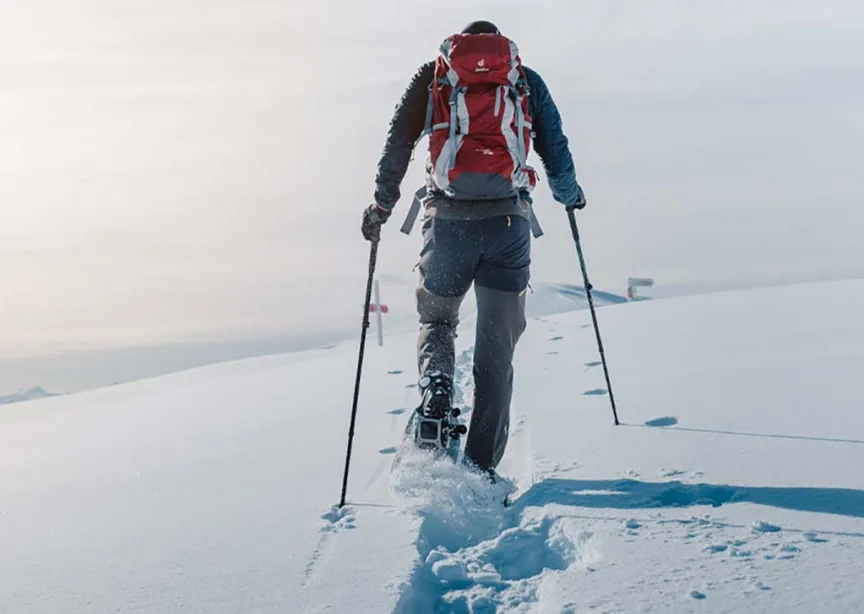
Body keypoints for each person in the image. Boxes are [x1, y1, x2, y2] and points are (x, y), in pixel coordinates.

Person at [361, 20, 585, 478]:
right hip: (508, 226)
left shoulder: (435, 78)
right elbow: (555, 147)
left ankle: (438, 389)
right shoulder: (524, 81)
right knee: (496, 352)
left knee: (438, 319)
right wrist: (570, 196)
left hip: (447, 224)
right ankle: (481, 469)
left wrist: (382, 204)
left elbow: (397, 142)